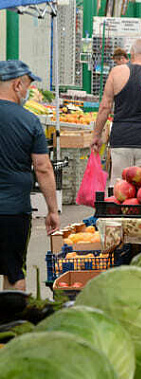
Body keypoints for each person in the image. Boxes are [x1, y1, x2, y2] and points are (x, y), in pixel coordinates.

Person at [0, 60, 60, 290]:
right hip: (13, 212)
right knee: (14, 273)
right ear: (17, 85)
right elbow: (43, 167)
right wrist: (52, 210)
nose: (28, 92)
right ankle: (11, 324)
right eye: (27, 86)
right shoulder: (29, 121)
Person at [91, 39, 141, 185]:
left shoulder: (116, 72)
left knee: (119, 187)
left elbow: (105, 106)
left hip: (121, 138)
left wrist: (97, 135)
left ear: (132, 53)